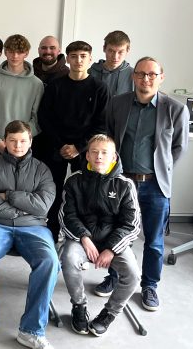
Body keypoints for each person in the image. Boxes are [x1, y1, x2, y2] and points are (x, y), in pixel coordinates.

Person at [95, 56, 189, 311]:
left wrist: (160, 171)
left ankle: (149, 286)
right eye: (140, 74)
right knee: (114, 233)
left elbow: (178, 148)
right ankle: (115, 278)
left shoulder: (176, 109)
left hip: (155, 186)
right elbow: (109, 139)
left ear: (161, 77)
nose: (145, 79)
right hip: (122, 183)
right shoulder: (118, 104)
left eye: (151, 74)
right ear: (133, 76)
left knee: (154, 240)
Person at [0, 120, 58, 349]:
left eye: (22, 141)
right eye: (12, 140)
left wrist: (8, 195)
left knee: (50, 260)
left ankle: (31, 330)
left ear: (30, 141)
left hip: (34, 227)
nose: (18, 145)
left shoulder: (42, 169)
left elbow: (43, 207)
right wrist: (25, 206)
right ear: (5, 141)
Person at [59, 134, 140, 337]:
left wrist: (111, 249)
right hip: (81, 239)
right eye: (94, 152)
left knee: (132, 274)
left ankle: (109, 313)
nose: (99, 157)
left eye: (105, 153)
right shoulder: (74, 180)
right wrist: (84, 238)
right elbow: (67, 215)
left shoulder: (125, 185)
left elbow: (131, 224)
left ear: (114, 157)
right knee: (68, 259)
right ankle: (79, 306)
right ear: (87, 156)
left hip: (112, 242)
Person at [37, 41, 109, 241]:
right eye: (74, 56)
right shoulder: (56, 85)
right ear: (67, 59)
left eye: (83, 56)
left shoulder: (99, 88)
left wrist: (78, 147)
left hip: (85, 150)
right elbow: (44, 118)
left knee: (85, 193)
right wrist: (61, 145)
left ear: (90, 59)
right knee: (53, 191)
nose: (78, 60)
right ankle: (51, 234)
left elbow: (101, 124)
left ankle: (82, 238)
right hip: (56, 147)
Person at [0, 34, 44, 156]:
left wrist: (20, 141)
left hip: (23, 146)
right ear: (5, 52)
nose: (15, 56)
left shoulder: (37, 84)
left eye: (19, 52)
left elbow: (37, 120)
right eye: (11, 51)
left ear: (26, 53)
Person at [89, 30, 134, 96]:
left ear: (127, 51)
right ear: (104, 49)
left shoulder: (135, 75)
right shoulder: (90, 72)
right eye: (111, 51)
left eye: (120, 52)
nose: (115, 57)